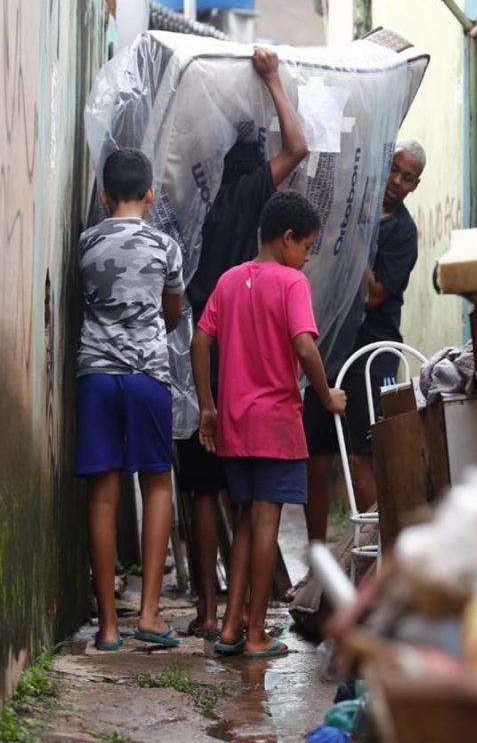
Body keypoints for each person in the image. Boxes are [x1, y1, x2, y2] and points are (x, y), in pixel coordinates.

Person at [176, 46, 309, 640]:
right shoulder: (255, 194)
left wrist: (203, 400)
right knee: (256, 503)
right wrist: (275, 79)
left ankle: (212, 612)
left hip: (199, 338)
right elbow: (298, 147)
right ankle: (248, 619)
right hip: (249, 362)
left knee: (206, 485)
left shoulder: (187, 199)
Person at [191, 191, 347, 658]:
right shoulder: (291, 284)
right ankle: (257, 631)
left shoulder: (229, 280)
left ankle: (230, 625)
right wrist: (326, 396)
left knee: (244, 522)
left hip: (235, 421)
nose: (305, 258)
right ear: (287, 240)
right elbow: (303, 345)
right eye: (307, 247)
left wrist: (208, 405)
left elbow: (201, 340)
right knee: (265, 523)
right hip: (277, 422)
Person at [296, 140, 424, 595]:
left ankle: (375, 571)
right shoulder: (352, 209)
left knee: (362, 457)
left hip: (372, 351)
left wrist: (355, 235)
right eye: (394, 170)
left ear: (415, 185)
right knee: (316, 457)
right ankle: (316, 569)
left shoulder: (401, 234)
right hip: (329, 349)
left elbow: (373, 295)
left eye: (408, 177)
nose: (397, 182)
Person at [76, 148, 184, 650]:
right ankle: (149, 615)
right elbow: (174, 314)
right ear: (150, 195)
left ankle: (107, 628)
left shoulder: (85, 243)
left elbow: (88, 300)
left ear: (102, 197)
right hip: (147, 375)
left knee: (103, 493)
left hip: (96, 374)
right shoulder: (165, 246)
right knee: (156, 483)